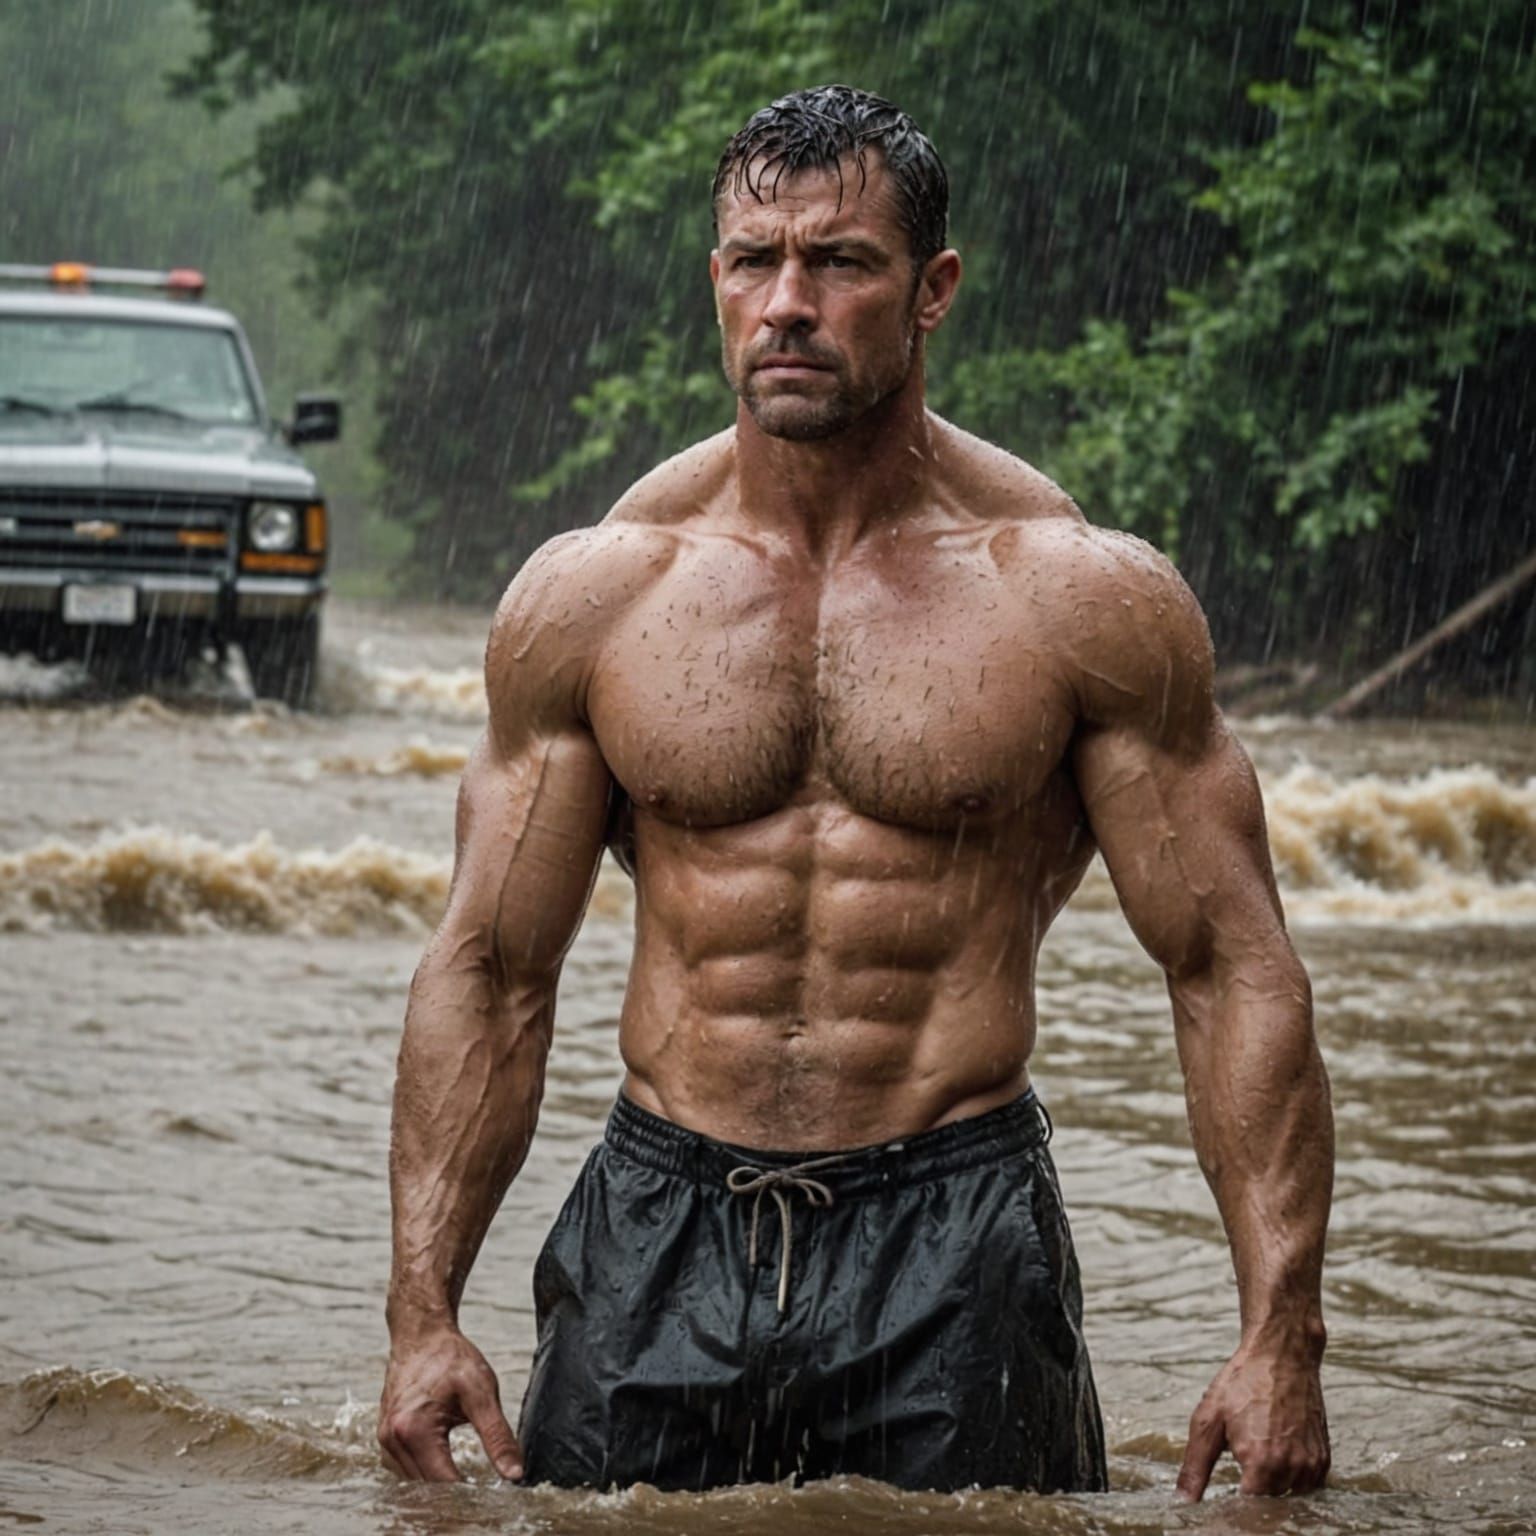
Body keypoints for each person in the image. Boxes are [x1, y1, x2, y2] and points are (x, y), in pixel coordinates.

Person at [379, 84, 1333, 1500]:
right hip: (658, 1225)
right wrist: (421, 1315)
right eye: (753, 261)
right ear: (714, 279)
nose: (787, 305)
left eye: (840, 263)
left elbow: (1229, 966)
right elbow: (491, 969)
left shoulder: (1071, 596)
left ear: (932, 289)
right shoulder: (600, 594)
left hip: (956, 1233)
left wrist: (1282, 1337)